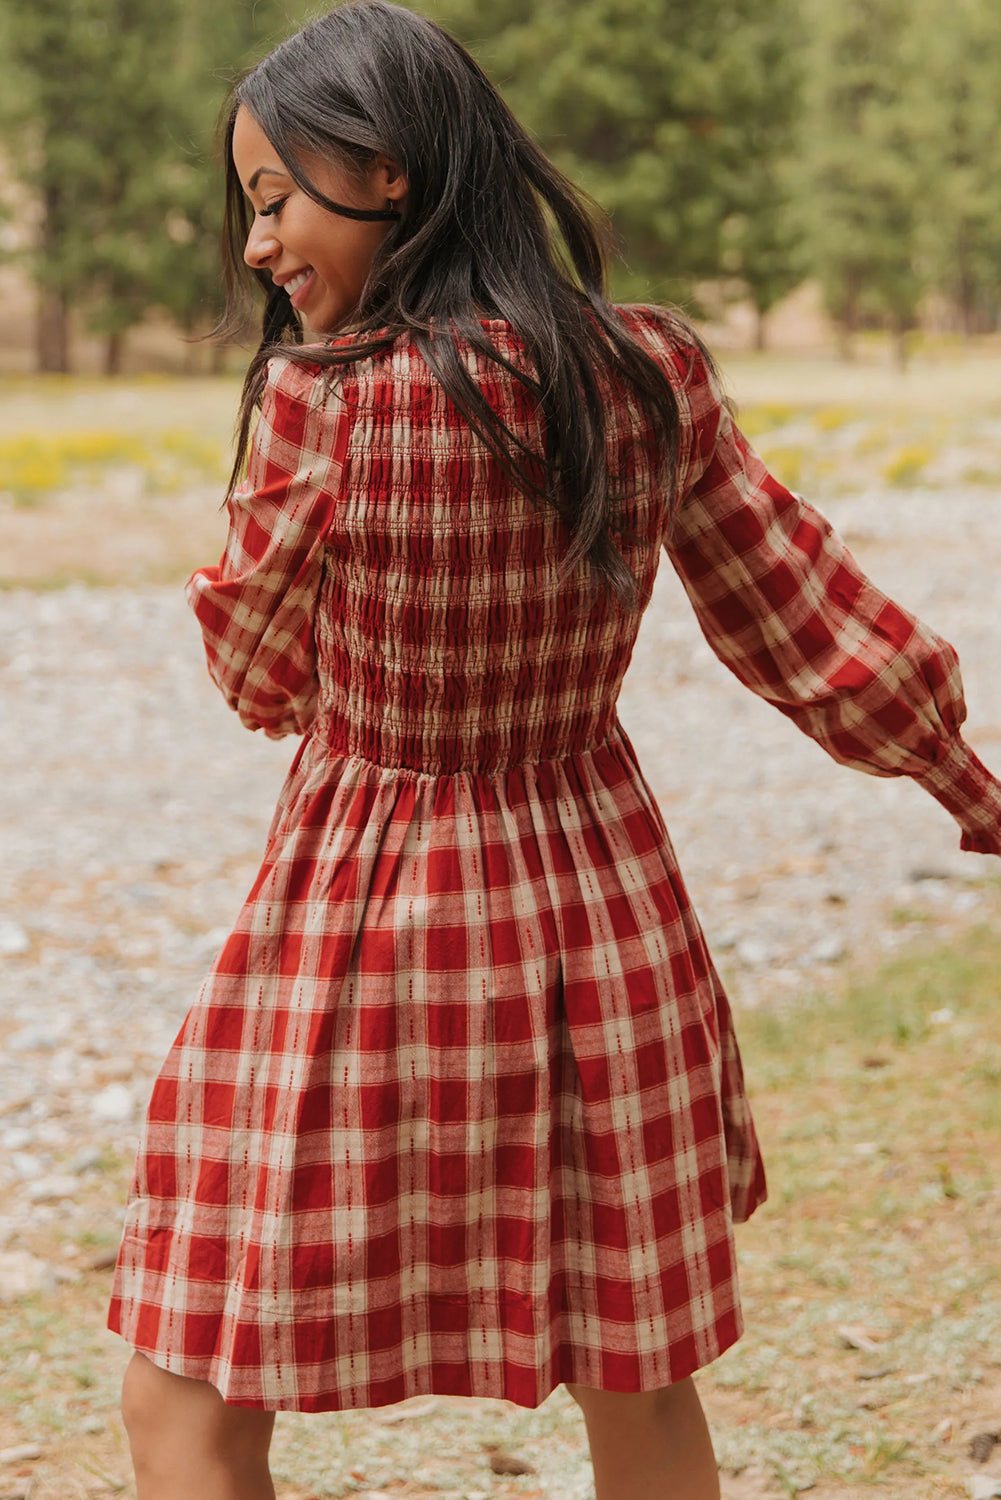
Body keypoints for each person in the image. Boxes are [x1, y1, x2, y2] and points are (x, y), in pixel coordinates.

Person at [106, 3, 1001, 1497]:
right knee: (635, 1379)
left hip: (363, 930)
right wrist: (966, 785)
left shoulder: (316, 406)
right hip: (602, 917)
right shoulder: (643, 370)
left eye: (273, 199)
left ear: (384, 174)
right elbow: (806, 621)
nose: (257, 246)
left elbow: (260, 687)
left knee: (185, 1382)